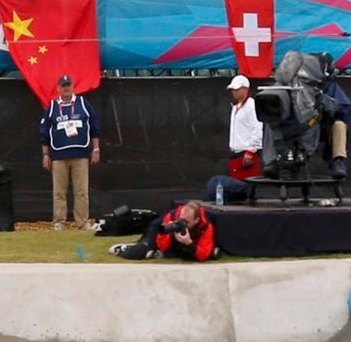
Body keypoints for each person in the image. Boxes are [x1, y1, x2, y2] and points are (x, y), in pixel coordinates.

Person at [38, 73, 100, 228]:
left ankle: (82, 222)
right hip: (59, 156)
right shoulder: (52, 107)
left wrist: (96, 149)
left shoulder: (83, 104)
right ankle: (59, 222)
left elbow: (94, 127)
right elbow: (44, 132)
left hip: (80, 155)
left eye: (68, 85)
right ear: (58, 88)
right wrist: (46, 155)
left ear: (73, 87)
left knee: (81, 191)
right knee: (59, 192)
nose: (66, 88)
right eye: (63, 86)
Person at [110, 200, 218, 261]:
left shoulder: (206, 227)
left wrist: (189, 244)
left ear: (196, 220)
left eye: (186, 222)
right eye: (181, 220)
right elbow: (161, 244)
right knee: (140, 251)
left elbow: (204, 254)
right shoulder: (171, 217)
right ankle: (124, 249)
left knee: (185, 255)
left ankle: (155, 253)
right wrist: (170, 234)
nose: (182, 224)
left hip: (185, 244)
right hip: (158, 226)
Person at [215, 74, 263, 203]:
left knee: (248, 187)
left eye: (237, 89)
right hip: (235, 153)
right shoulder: (235, 107)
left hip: (246, 153)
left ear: (245, 89)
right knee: (236, 186)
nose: (234, 92)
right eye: (233, 90)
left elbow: (258, 127)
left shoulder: (252, 105)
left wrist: (251, 150)